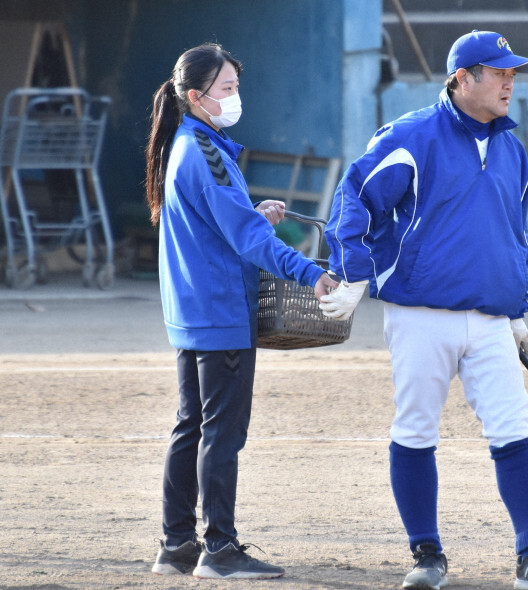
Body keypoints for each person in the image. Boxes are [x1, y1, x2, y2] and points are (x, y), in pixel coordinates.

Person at [320, 30, 528, 590]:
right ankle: (426, 555)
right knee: (415, 430)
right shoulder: (413, 134)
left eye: (514, 72)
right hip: (419, 314)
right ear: (463, 78)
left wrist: (516, 309)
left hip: (489, 319)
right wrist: (356, 273)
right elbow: (356, 196)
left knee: (514, 431)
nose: (510, 81)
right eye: (498, 71)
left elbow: (515, 235)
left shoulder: (513, 150)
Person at [144, 43, 338, 580]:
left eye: (235, 86)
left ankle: (177, 544)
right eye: (226, 89)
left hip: (192, 311)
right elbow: (249, 241)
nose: (236, 97)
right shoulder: (206, 152)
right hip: (220, 310)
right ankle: (220, 548)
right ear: (194, 97)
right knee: (222, 434)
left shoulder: (186, 145)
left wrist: (252, 214)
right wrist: (310, 272)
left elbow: (225, 225)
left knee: (192, 426)